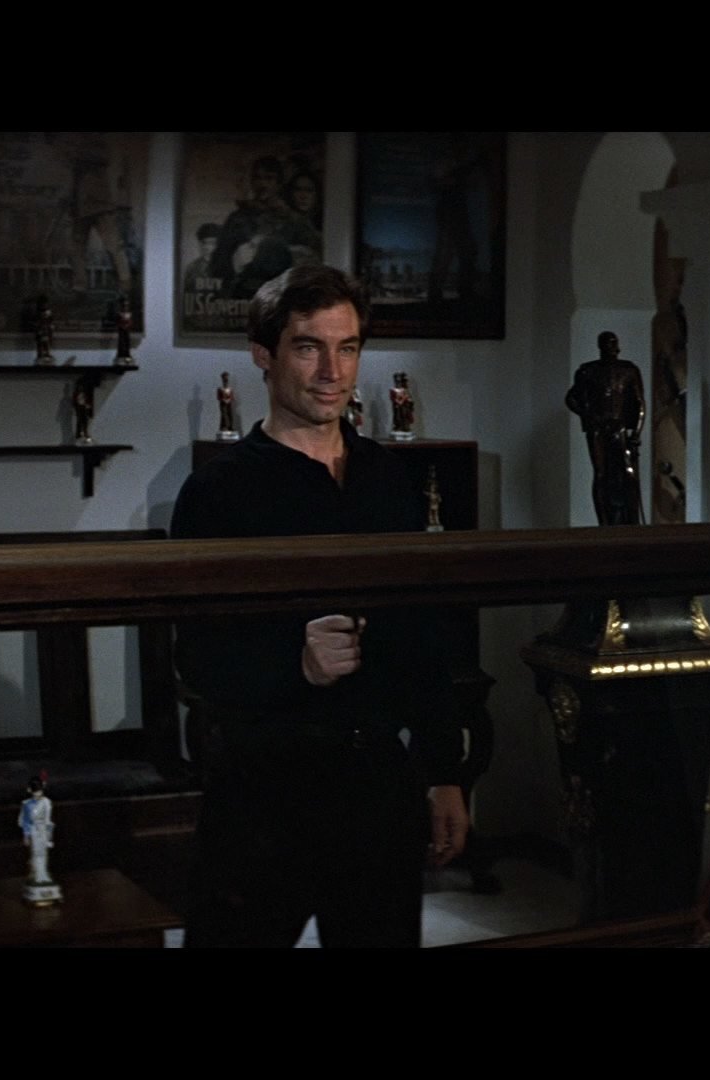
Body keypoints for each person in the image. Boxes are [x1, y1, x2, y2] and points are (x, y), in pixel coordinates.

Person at [170, 264, 473, 948]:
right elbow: (197, 657)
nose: (332, 372)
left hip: (377, 788)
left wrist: (444, 772)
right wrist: (296, 665)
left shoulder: (385, 478)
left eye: (348, 348)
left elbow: (423, 636)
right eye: (309, 348)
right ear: (264, 355)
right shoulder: (219, 491)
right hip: (264, 793)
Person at [563, 331, 646, 525]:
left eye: (613, 343)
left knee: (629, 472)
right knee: (600, 474)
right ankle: (604, 522)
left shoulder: (628, 370)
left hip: (620, 426)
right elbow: (571, 399)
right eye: (607, 344)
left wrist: (636, 432)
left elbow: (640, 403)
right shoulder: (588, 371)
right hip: (598, 428)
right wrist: (589, 416)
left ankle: (632, 520)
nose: (611, 348)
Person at [19, 775, 55, 885]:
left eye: (40, 791)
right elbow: (25, 821)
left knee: (44, 853)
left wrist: (49, 835)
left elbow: (48, 819)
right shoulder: (27, 804)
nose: (38, 794)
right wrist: (26, 835)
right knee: (36, 852)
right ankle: (38, 875)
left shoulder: (46, 802)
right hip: (34, 830)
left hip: (44, 829)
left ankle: (44, 875)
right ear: (30, 791)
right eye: (36, 791)